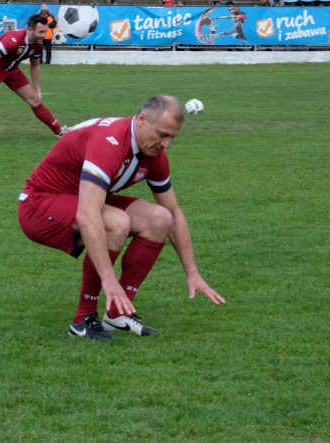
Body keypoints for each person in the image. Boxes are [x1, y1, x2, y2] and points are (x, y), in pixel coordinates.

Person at [18, 95, 226, 340]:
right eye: (162, 134)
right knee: (116, 222)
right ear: (142, 119)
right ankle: (82, 320)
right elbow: (87, 214)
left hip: (81, 198)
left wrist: (192, 271)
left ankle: (118, 314)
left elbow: (174, 212)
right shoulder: (109, 142)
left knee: (159, 219)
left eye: (172, 137)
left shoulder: (153, 155)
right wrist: (108, 279)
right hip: (39, 206)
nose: (167, 144)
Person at [0, 14, 67, 143]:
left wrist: (38, 90)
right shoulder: (13, 40)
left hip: (12, 69)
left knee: (35, 100)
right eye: (41, 32)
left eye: (45, 31)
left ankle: (59, 132)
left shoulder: (38, 45)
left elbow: (35, 65)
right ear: (30, 30)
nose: (44, 35)